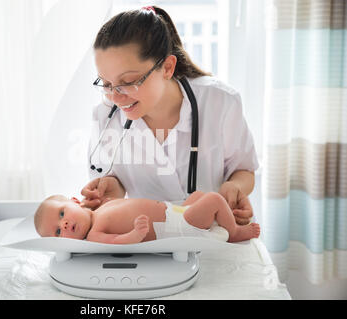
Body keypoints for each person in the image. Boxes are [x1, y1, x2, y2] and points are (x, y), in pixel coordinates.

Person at [82, 6, 259, 226]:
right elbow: (113, 179)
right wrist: (111, 187)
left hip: (214, 234)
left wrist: (234, 188)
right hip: (146, 239)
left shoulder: (220, 102)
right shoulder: (104, 116)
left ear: (167, 67)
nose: (115, 97)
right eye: (107, 84)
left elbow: (244, 170)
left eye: (128, 82)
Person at [33, 192, 260, 244]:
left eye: (62, 213)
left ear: (75, 201)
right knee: (213, 199)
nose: (63, 224)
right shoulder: (93, 234)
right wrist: (135, 234)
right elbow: (115, 242)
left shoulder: (101, 209)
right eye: (57, 232)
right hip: (177, 226)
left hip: (175, 211)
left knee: (199, 196)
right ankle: (235, 233)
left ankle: (223, 219)